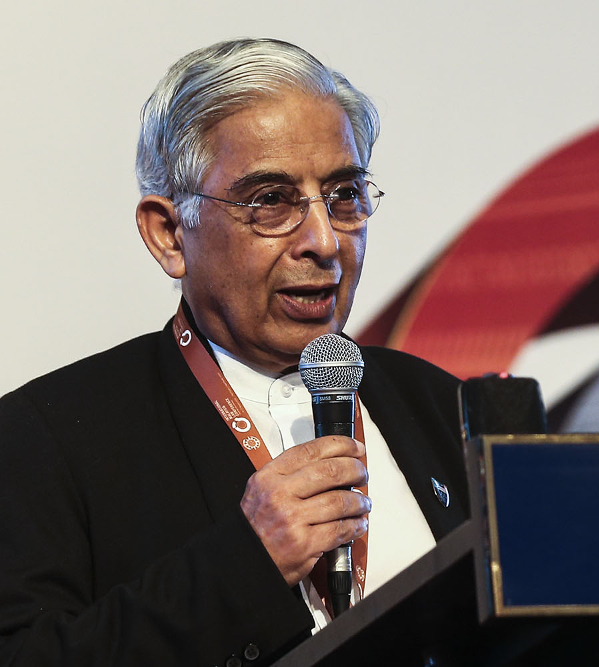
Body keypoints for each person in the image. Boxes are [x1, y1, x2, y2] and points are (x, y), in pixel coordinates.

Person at [0, 38, 468, 666]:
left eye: (344, 195)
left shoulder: (441, 403)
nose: (324, 241)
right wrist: (243, 567)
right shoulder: (45, 438)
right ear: (169, 234)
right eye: (271, 200)